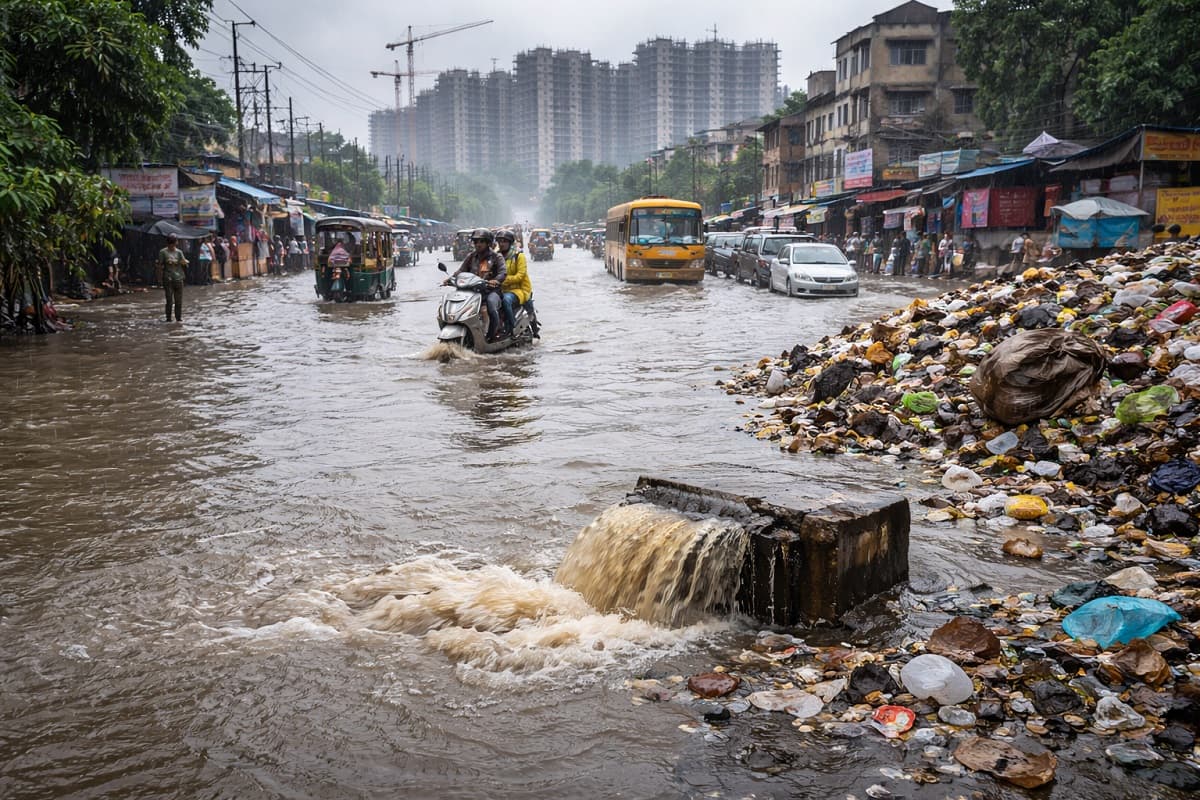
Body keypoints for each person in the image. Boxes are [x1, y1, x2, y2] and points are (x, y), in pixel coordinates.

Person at [453, 228, 506, 342]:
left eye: (481, 241)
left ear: (488, 243)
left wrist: (496, 280)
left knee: (490, 306)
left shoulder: (497, 257)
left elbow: (503, 272)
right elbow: (461, 271)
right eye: (476, 242)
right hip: (472, 291)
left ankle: (492, 334)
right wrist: (451, 278)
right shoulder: (471, 256)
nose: (478, 244)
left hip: (491, 291)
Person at [496, 228, 539, 339]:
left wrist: (502, 280)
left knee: (506, 301)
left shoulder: (518, 256)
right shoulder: (495, 256)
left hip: (518, 289)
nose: (501, 244)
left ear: (510, 243)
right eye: (500, 241)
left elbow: (520, 276)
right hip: (498, 289)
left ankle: (511, 328)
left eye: (504, 241)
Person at [155, 233, 188, 322]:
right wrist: (159, 279)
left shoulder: (179, 252)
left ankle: (178, 319)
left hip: (179, 278)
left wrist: (184, 263)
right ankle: (168, 318)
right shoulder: (163, 252)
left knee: (178, 301)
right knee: (169, 300)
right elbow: (160, 266)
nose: (173, 245)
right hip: (168, 279)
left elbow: (184, 263)